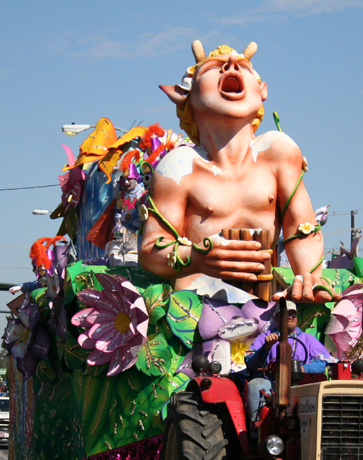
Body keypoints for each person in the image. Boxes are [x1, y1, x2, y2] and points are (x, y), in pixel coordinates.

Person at [140, 41, 330, 304]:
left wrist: (308, 273)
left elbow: (301, 226)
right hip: (194, 314)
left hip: (265, 308)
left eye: (243, 66)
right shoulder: (179, 166)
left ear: (261, 91)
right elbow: (151, 248)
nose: (231, 65)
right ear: (186, 94)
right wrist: (198, 258)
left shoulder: (279, 152)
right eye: (214, 67)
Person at [243, 302, 327, 438]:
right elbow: (250, 363)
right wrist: (266, 347)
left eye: (293, 314)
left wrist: (302, 369)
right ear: (277, 318)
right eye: (286, 314)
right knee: (255, 384)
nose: (290, 317)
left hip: (300, 385)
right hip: (270, 384)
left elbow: (322, 363)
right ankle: (256, 434)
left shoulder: (308, 339)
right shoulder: (265, 337)